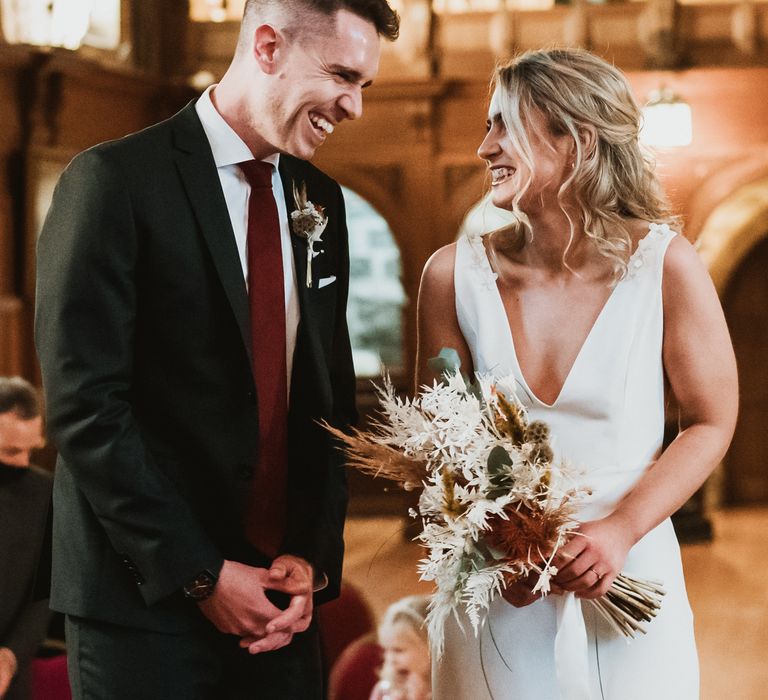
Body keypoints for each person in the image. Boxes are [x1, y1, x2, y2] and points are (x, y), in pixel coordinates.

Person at [34, 1, 399, 698]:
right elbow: (86, 409)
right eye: (342, 75)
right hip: (143, 605)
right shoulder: (113, 183)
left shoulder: (320, 199)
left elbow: (325, 398)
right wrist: (201, 573)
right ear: (266, 46)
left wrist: (313, 559)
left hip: (280, 607)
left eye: (365, 86)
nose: (353, 105)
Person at [416, 48, 737, 699]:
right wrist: (495, 534)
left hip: (631, 571)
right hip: (497, 581)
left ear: (576, 140)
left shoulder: (666, 268)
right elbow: (439, 441)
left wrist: (619, 532)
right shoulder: (450, 277)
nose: (484, 149)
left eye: (503, 124)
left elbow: (710, 420)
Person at [0, 377, 52, 700]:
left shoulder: (45, 493)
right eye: (10, 450)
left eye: (32, 451)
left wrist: (10, 655)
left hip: (12, 674)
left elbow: (46, 590)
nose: (22, 463)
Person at [370, 595, 431, 700]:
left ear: (430, 648)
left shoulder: (450, 689)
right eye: (386, 650)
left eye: (398, 650)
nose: (390, 659)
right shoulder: (382, 690)